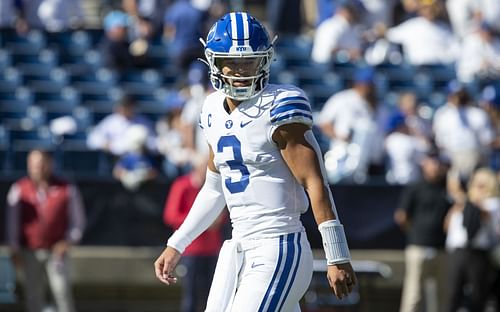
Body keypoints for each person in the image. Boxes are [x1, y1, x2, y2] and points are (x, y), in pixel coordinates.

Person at [154, 12, 357, 311]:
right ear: (214, 62)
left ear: (264, 60)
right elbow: (214, 188)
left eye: (248, 62)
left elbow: (315, 182)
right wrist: (177, 242)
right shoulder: (211, 109)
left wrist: (337, 255)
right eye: (231, 62)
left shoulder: (280, 105)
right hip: (239, 249)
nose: (239, 71)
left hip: (279, 245)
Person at [5, 149, 86, 312]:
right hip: (29, 251)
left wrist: (68, 241)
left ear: (50, 164)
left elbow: (78, 221)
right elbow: (12, 222)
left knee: (62, 292)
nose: (38, 168)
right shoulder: (19, 189)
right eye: (34, 165)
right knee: (33, 295)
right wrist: (13, 247)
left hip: (57, 251)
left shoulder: (66, 188)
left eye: (41, 164)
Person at [163, 153, 225, 312]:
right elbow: (171, 215)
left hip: (212, 249)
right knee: (190, 296)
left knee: (213, 296)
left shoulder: (218, 187)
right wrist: (203, 221)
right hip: (191, 250)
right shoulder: (182, 185)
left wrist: (215, 219)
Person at [394, 150, 452, 312]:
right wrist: (416, 234)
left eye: (439, 163)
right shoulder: (415, 187)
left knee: (441, 296)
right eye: (433, 162)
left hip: (441, 248)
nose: (436, 166)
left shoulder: (446, 188)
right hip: (418, 247)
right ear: (424, 164)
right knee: (413, 295)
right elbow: (401, 216)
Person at [444, 167, 500, 312]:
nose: (477, 188)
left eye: (482, 185)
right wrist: (458, 204)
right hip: (456, 252)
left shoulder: (493, 203)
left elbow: (485, 215)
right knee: (452, 295)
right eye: (475, 184)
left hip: (478, 253)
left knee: (477, 296)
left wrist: (460, 196)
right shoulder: (462, 203)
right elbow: (447, 226)